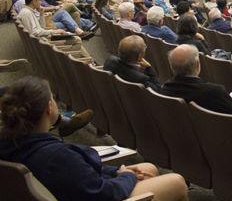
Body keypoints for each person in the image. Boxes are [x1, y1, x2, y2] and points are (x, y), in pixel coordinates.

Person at [0, 76, 189, 201]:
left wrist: (116, 171)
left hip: (69, 188)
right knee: (177, 182)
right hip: (99, 195)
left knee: (149, 168)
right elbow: (104, 193)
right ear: (49, 108)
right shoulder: (56, 156)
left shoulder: (11, 141)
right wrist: (126, 176)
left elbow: (77, 175)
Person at [161, 45, 232, 120]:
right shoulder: (213, 92)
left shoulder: (165, 89)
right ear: (198, 64)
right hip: (223, 133)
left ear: (172, 66)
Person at [17, 0, 93, 41]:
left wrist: (41, 14)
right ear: (33, 1)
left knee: (74, 16)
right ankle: (81, 32)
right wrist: (54, 32)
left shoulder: (29, 11)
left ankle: (80, 32)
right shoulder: (27, 13)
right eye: (39, 0)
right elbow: (36, 32)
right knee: (76, 39)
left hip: (43, 35)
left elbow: (41, 27)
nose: (40, 2)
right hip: (44, 39)